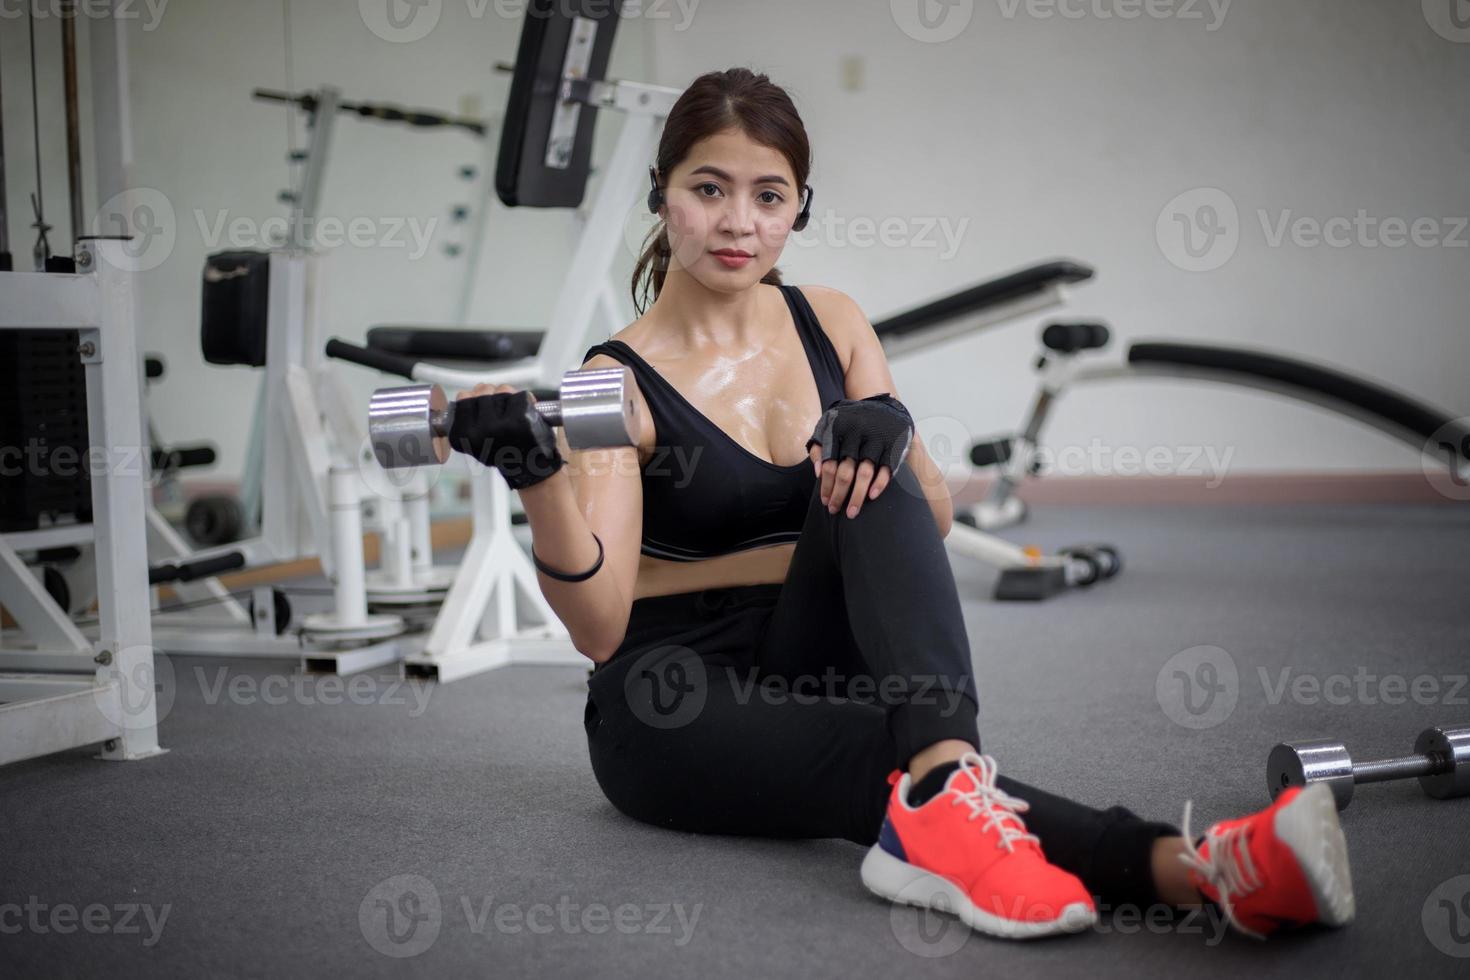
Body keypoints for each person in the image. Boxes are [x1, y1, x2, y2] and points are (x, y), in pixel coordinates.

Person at [446, 67, 1354, 942]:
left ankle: (945, 786)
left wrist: (891, 423)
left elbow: (935, 520)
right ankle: (1202, 869)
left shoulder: (833, 321)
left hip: (819, 646)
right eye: (709, 189)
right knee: (887, 759)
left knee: (868, 461)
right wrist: (538, 479)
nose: (738, 223)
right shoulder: (615, 383)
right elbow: (601, 630)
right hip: (673, 693)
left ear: (801, 206)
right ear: (662, 196)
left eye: (769, 196)